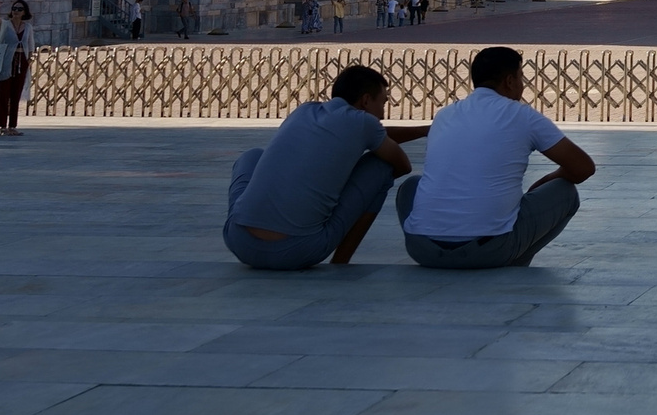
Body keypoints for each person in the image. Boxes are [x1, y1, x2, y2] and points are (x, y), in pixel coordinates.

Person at [397, 47, 596, 268]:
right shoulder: (522, 115)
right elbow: (583, 167)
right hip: (488, 251)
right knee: (565, 191)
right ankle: (515, 261)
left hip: (422, 250)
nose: (522, 85)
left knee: (411, 186)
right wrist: (551, 178)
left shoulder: (445, 115)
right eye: (521, 78)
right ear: (510, 81)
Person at [225, 65, 426, 270]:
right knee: (381, 167)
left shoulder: (303, 111)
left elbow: (374, 133)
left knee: (252, 156)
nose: (383, 113)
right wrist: (351, 185)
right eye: (383, 103)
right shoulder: (365, 123)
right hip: (297, 250)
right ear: (366, 100)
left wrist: (422, 131)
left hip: (240, 242)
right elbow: (402, 165)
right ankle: (340, 263)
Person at [0, 0, 33, 137]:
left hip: (21, 62)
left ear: (24, 12)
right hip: (6, 62)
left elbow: (30, 45)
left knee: (15, 95)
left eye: (19, 9)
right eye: (14, 8)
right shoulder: (5, 25)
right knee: (4, 94)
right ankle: (2, 126)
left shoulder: (28, 27)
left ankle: (12, 126)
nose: (16, 11)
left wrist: (29, 60)